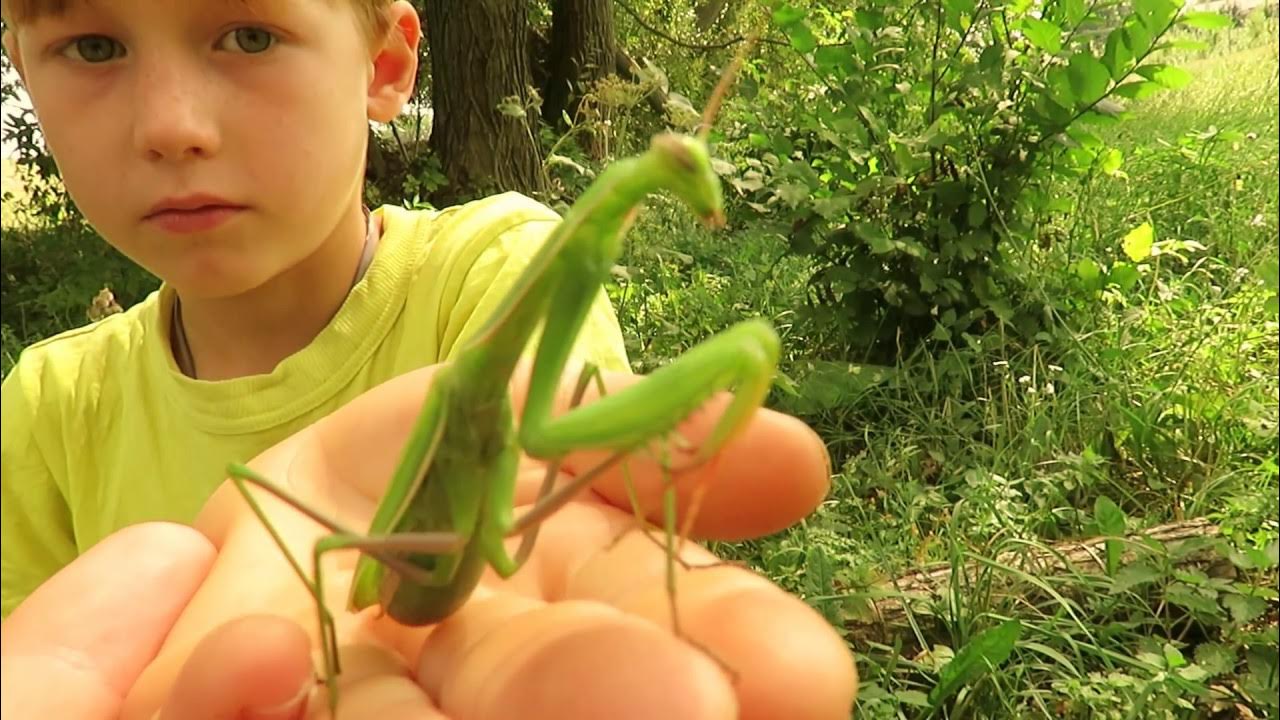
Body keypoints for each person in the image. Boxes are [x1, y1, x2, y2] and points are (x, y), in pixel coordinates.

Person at [0, 0, 858, 716]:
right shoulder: (45, 403)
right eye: (94, 47)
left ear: (386, 68)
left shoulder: (499, 266)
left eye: (251, 36)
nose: (172, 128)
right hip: (398, 582)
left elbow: (579, 464)